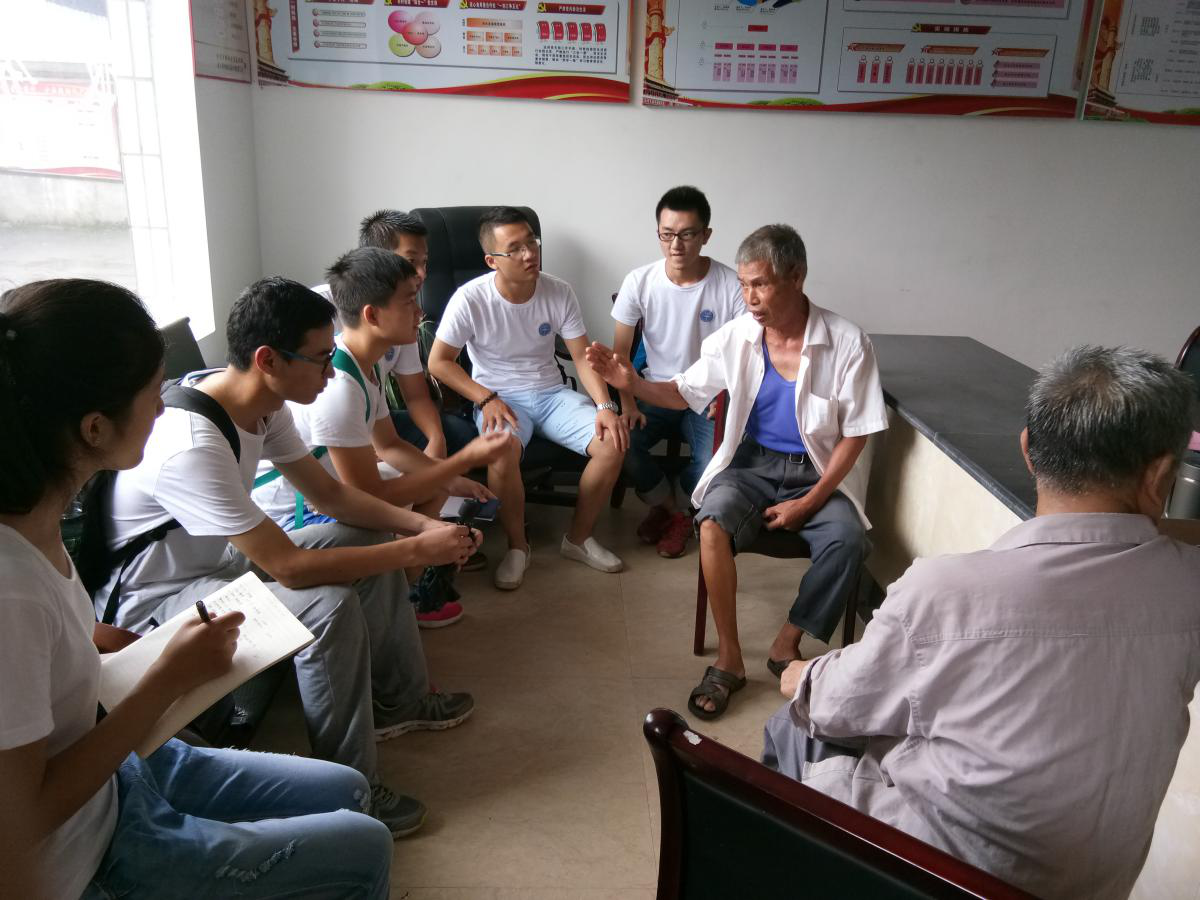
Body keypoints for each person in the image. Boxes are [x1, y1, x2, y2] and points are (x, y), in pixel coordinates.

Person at [0, 278, 392, 899]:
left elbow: (44, 649)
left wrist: (97, 639)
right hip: (89, 850)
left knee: (348, 789)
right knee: (366, 845)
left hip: (124, 773)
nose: (164, 408)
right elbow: (17, 826)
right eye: (153, 393)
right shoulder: (10, 587)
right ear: (95, 428)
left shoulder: (35, 518)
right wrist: (165, 679)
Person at [762, 345, 1200, 899]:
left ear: (1028, 450)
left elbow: (834, 705)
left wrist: (803, 675)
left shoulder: (944, 590)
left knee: (794, 722)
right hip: (1092, 886)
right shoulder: (1188, 585)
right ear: (1160, 474)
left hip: (932, 877)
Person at [97, 276, 478, 837]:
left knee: (369, 539)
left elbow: (330, 496)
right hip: (159, 605)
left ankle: (402, 702)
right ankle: (351, 791)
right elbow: (289, 568)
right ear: (268, 359)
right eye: (321, 359)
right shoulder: (193, 445)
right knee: (327, 605)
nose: (332, 371)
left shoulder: (261, 404)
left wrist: (423, 525)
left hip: (220, 567)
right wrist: (417, 548)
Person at [587, 224, 887, 719]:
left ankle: (786, 642)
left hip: (818, 472)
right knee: (711, 523)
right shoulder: (738, 336)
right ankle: (729, 659)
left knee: (850, 541)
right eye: (745, 284)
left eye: (761, 284)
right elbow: (683, 392)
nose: (750, 297)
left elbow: (856, 434)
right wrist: (632, 383)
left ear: (797, 276)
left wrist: (809, 502)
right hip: (752, 463)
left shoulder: (848, 342)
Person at [252, 249, 509, 627]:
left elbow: (389, 445)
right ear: (372, 315)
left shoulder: (364, 366)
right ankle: (400, 599)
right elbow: (366, 495)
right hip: (294, 511)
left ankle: (410, 594)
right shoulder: (340, 386)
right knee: (408, 505)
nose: (420, 312)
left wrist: (451, 480)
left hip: (330, 489)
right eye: (409, 302)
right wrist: (458, 465)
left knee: (435, 490)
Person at [428, 206, 628, 590]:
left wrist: (605, 406)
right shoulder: (470, 299)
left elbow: (581, 357)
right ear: (492, 260)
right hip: (499, 398)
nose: (528, 254)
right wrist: (485, 398)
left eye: (532, 243)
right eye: (515, 249)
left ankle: (578, 539)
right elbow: (439, 362)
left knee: (613, 441)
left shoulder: (558, 291)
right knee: (501, 448)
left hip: (552, 394)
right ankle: (518, 547)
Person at [611, 185, 744, 559]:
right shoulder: (639, 281)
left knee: (714, 461)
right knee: (619, 441)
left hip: (708, 396)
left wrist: (726, 397)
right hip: (654, 390)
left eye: (687, 235)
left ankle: (679, 511)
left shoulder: (731, 285)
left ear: (706, 235)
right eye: (667, 234)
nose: (676, 245)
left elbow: (744, 354)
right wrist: (627, 404)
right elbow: (620, 355)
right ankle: (671, 510)